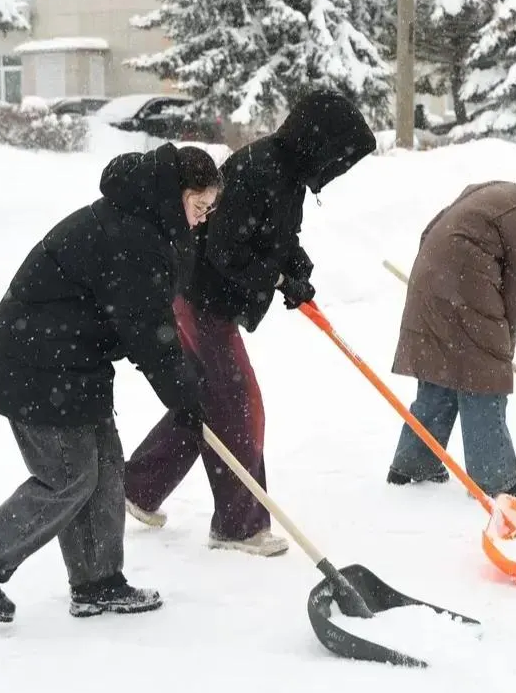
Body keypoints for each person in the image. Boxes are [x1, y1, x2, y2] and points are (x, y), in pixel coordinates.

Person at [0, 144, 219, 623]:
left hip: (71, 363)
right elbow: (148, 331)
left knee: (105, 468)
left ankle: (97, 582)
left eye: (209, 210)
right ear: (177, 195)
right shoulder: (135, 238)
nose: (202, 220)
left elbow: (149, 315)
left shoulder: (148, 221)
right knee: (69, 477)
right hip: (36, 366)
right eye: (198, 207)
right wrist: (183, 395)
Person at [121, 89, 377, 556]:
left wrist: (297, 267)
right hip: (200, 299)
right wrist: (276, 277)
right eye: (338, 158)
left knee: (207, 397)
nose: (337, 169)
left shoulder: (288, 174)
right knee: (239, 403)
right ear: (317, 143)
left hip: (207, 299)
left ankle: (138, 485)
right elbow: (225, 249)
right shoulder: (258, 170)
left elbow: (278, 235)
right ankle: (239, 525)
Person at [384, 149, 516, 498]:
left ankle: (413, 464)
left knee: (439, 375)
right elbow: (515, 294)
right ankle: (493, 478)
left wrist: (436, 283)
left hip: (430, 283)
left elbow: (433, 227)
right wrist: (500, 352)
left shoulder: (498, 189)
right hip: (467, 290)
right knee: (483, 381)